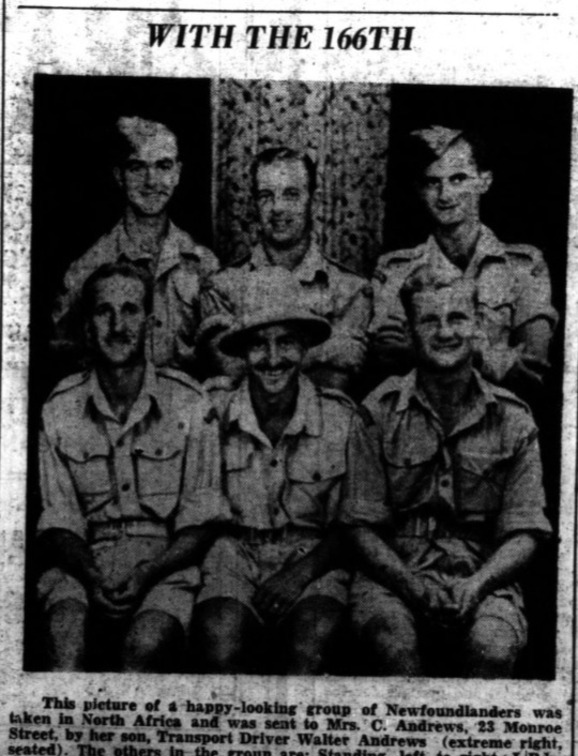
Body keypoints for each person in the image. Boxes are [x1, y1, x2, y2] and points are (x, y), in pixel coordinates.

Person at [345, 263, 552, 677]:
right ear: (410, 329)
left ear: (477, 324)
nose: (445, 332)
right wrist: (409, 584)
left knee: (492, 648)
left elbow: (525, 533)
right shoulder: (377, 412)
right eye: (429, 320)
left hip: (483, 574)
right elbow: (359, 527)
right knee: (392, 644)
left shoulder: (513, 419)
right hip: (395, 575)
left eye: (457, 318)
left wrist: (476, 586)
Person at [37, 263, 229, 671]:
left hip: (165, 565)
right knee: (64, 634)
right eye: (104, 312)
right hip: (85, 561)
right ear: (88, 326)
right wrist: (90, 575)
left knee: (144, 648)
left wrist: (147, 572)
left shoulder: (190, 402)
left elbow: (201, 520)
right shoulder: (59, 407)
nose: (117, 325)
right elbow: (59, 521)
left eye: (130, 310)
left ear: (150, 323)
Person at [193, 269, 365, 674]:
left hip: (313, 557)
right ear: (242, 352)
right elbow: (198, 511)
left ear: (304, 346)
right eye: (258, 344)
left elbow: (353, 524)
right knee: (218, 642)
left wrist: (298, 576)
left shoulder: (340, 418)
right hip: (233, 555)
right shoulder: (214, 412)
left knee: (312, 644)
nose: (272, 359)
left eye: (285, 341)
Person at [369, 125, 557, 400]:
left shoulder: (524, 267)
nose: (445, 195)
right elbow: (386, 360)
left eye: (458, 179)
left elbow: (532, 369)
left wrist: (430, 349)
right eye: (433, 182)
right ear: (419, 189)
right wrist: (490, 355)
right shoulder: (395, 270)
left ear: (484, 181)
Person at [52, 116, 219, 372]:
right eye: (137, 167)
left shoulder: (203, 265)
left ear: (177, 174)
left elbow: (220, 355)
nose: (151, 181)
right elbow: (63, 356)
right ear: (119, 176)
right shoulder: (88, 269)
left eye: (163, 166)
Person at [199, 146, 372, 394]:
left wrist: (254, 354)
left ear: (314, 199)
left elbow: (332, 388)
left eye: (291, 194)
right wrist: (325, 351)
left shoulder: (351, 289)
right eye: (266, 196)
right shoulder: (220, 287)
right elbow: (231, 373)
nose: (278, 207)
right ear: (254, 204)